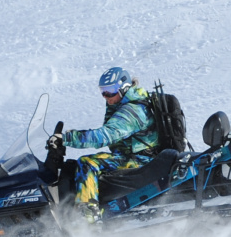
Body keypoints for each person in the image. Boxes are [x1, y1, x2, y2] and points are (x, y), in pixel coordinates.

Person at [46, 67, 160, 215]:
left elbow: (105, 136)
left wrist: (68, 139)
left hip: (142, 160)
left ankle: (88, 217)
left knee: (88, 163)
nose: (106, 96)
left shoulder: (133, 111)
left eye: (110, 90)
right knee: (72, 167)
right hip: (132, 157)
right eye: (103, 91)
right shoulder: (123, 105)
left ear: (124, 87)